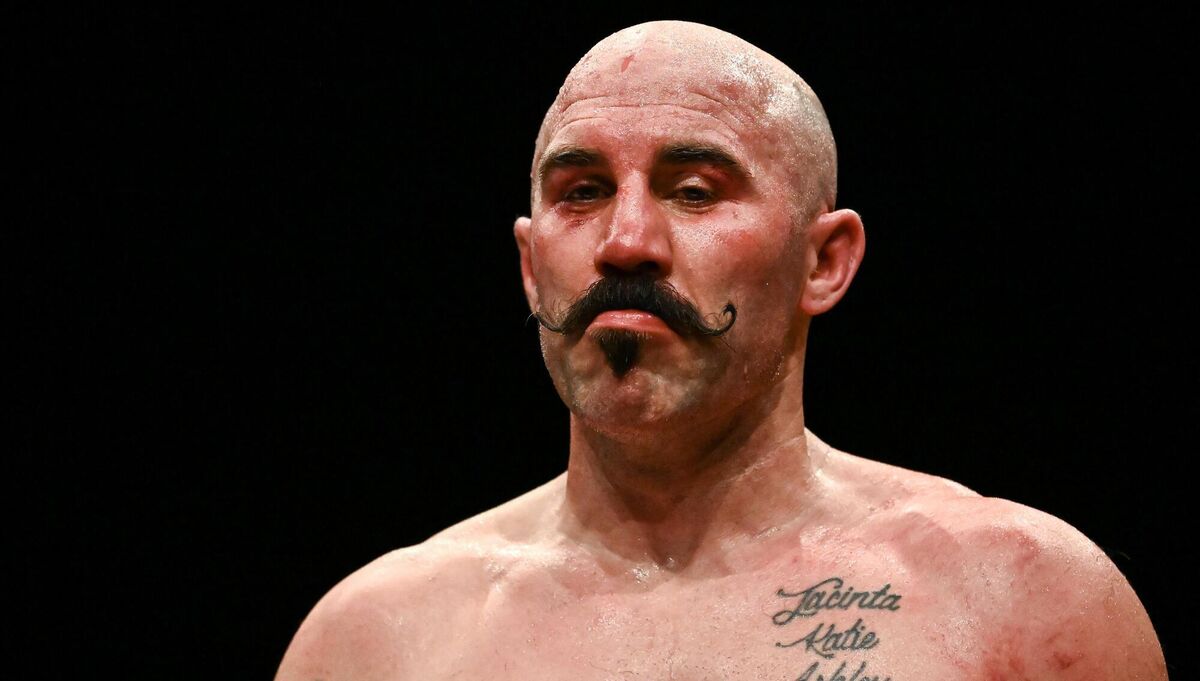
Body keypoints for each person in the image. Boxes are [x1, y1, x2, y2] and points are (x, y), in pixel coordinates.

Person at [275, 20, 1166, 680]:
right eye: (581, 191)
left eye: (695, 191)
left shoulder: (1023, 602)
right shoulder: (374, 644)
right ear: (528, 264)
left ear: (824, 261)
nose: (626, 241)